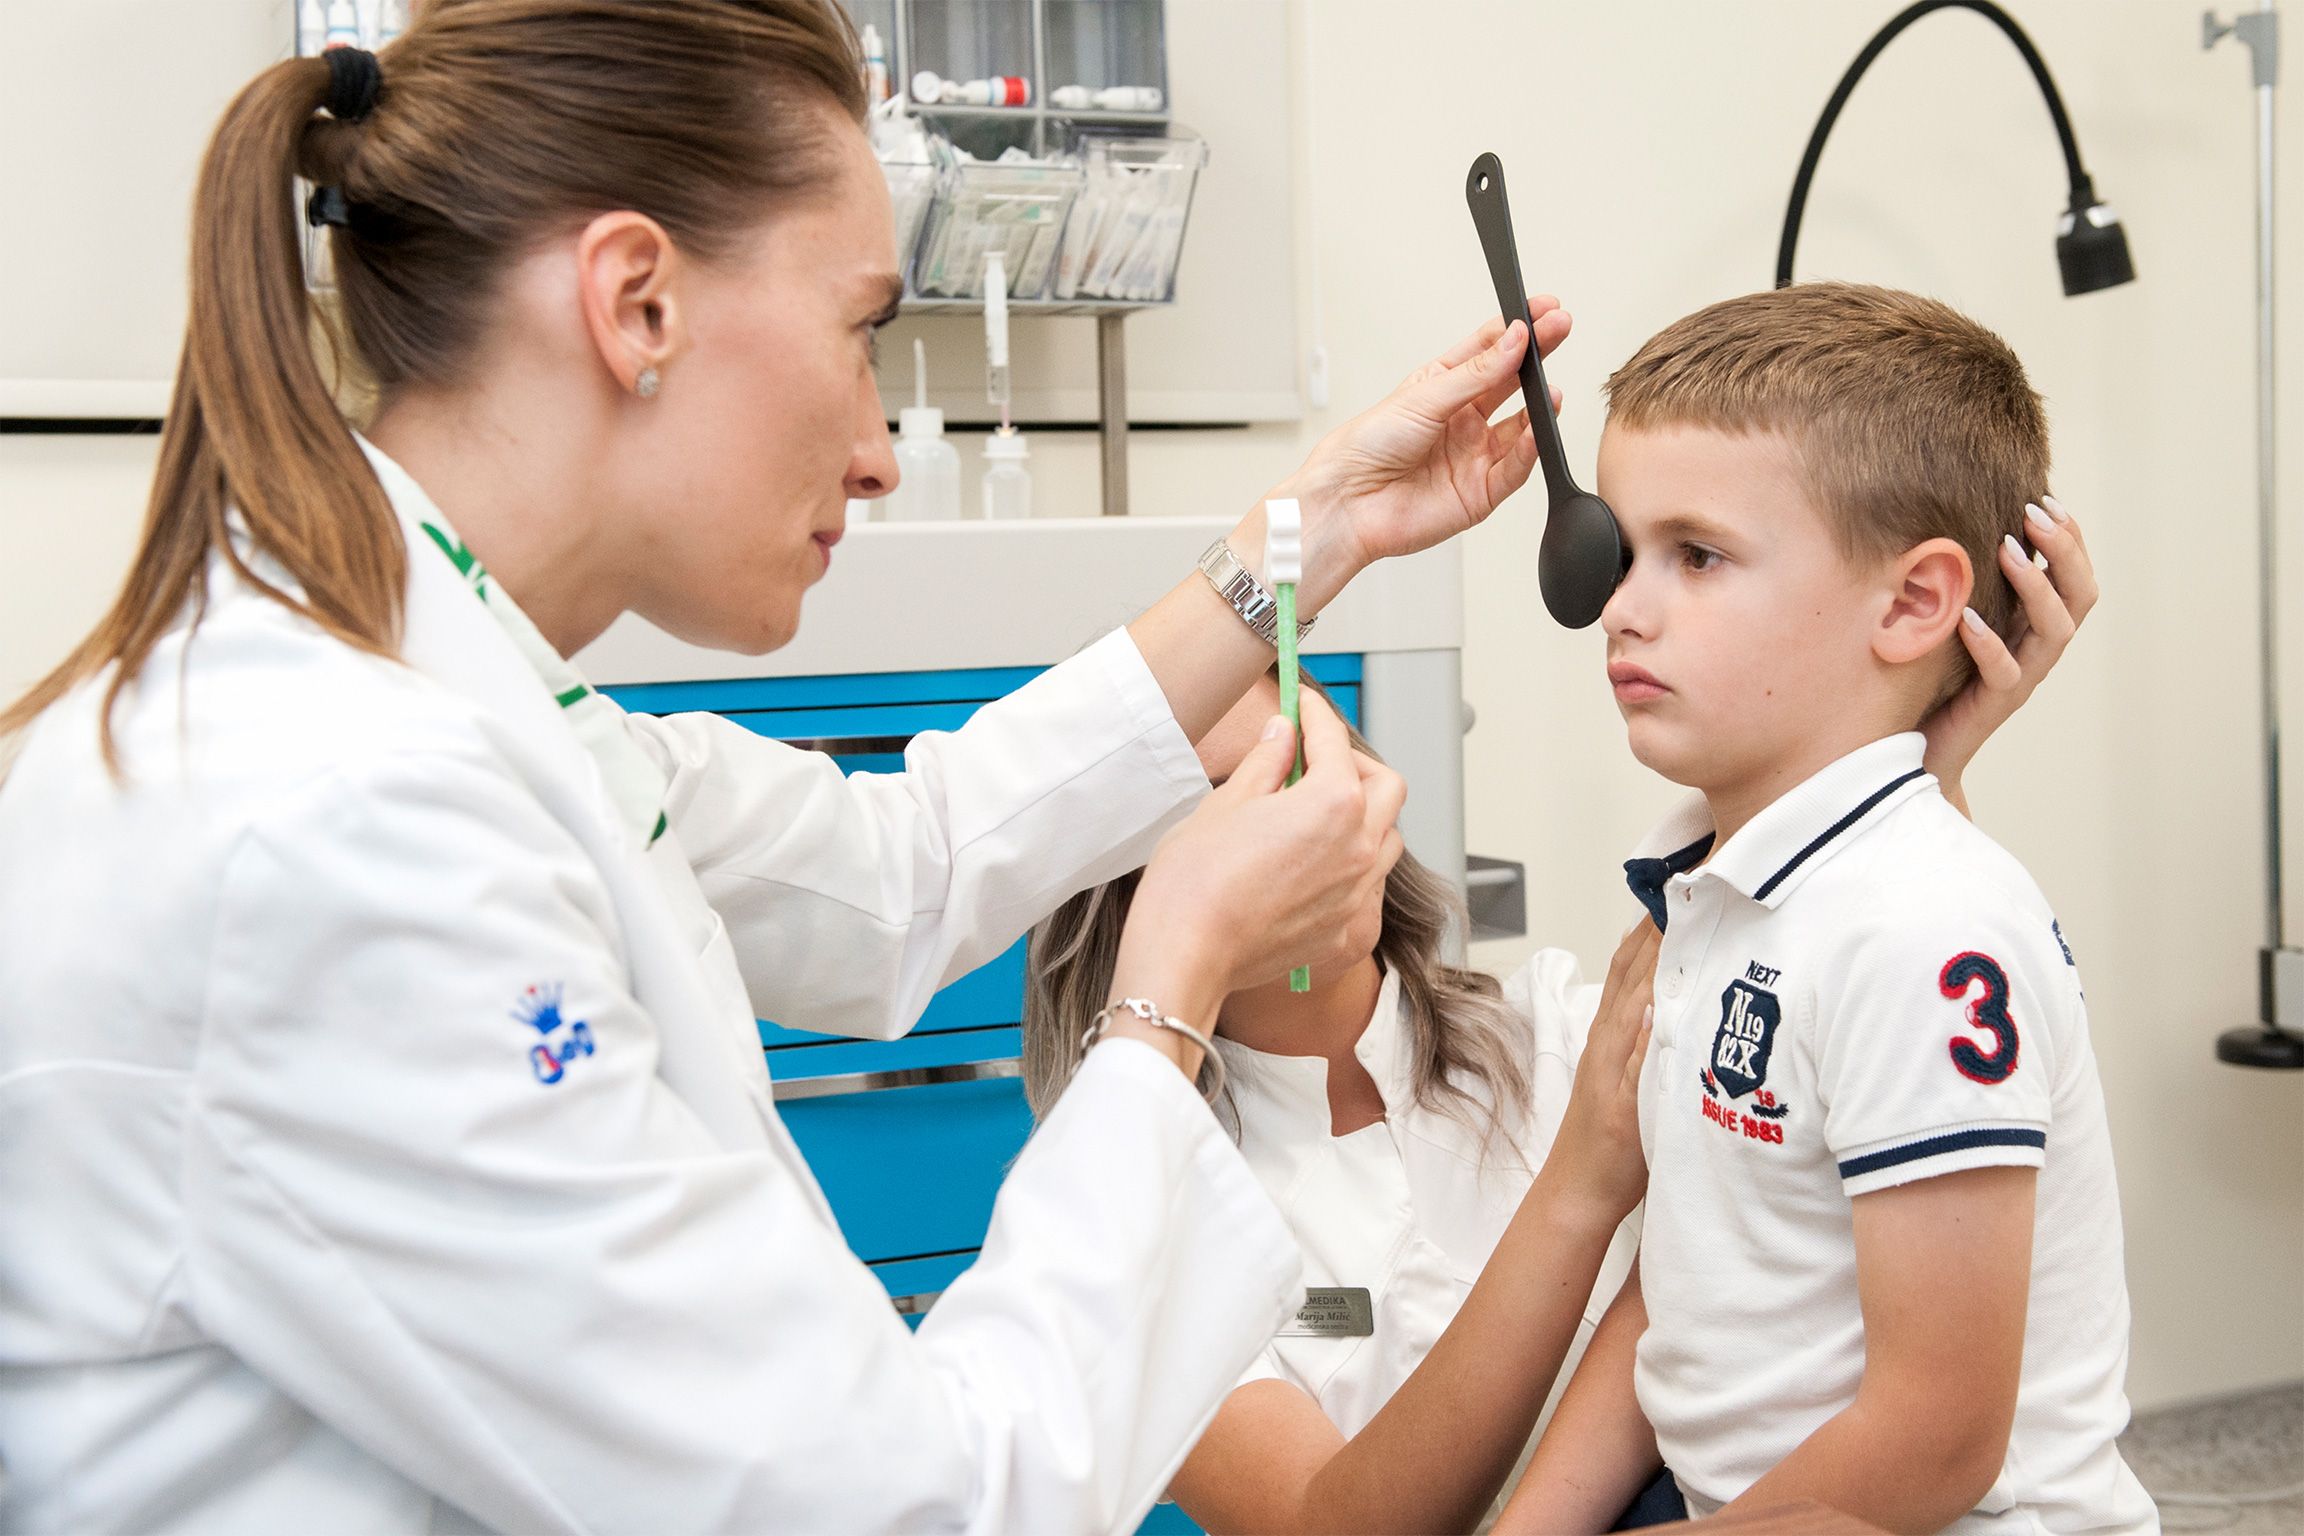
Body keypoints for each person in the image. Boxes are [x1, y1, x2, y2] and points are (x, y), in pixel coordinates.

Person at [0, 4, 1574, 1530]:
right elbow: (902, 1509)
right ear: (637, 305)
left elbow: (911, 866)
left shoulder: (477, 712)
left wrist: (1315, 532)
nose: (880, 452)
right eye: (860, 330)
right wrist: (1169, 978)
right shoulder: (344, 823)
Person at [1021, 453, 2098, 1536]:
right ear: (1135, 901)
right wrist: (1580, 1184)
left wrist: (1910, 761)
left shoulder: (1567, 1026)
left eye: (1303, 753)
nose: (1304, 812)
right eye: (1232, 797)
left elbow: (1832, 966)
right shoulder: (1136, 1212)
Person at [1497, 283, 2152, 1536]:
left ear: (1911, 603)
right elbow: (1689, 1294)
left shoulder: (1921, 930)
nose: (1622, 607)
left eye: (1697, 556)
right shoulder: (1724, 894)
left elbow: (1934, 1441)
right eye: (1624, 553)